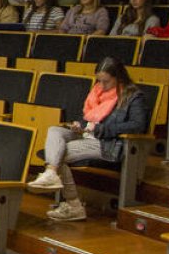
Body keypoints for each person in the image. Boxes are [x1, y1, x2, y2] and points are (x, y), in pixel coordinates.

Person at [27, 57, 149, 221]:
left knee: (58, 154)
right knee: (54, 130)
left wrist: (101, 129)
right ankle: (51, 173)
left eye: (106, 81)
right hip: (86, 134)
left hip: (108, 143)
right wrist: (80, 124)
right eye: (99, 80)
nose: (102, 85)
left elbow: (137, 125)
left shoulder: (133, 96)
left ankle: (73, 204)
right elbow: (90, 117)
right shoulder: (97, 91)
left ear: (119, 77)